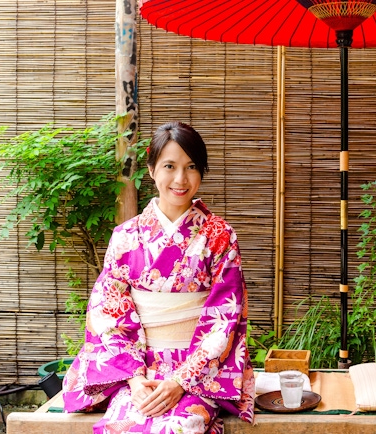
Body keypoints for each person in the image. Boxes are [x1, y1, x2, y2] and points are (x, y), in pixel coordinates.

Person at [62, 121, 255, 434]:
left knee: (183, 425)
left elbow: (226, 317)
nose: (181, 179)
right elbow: (108, 312)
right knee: (124, 424)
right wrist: (135, 378)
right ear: (151, 169)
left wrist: (179, 382)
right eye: (169, 166)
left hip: (197, 370)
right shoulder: (125, 236)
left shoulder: (219, 236)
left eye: (191, 167)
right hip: (138, 367)